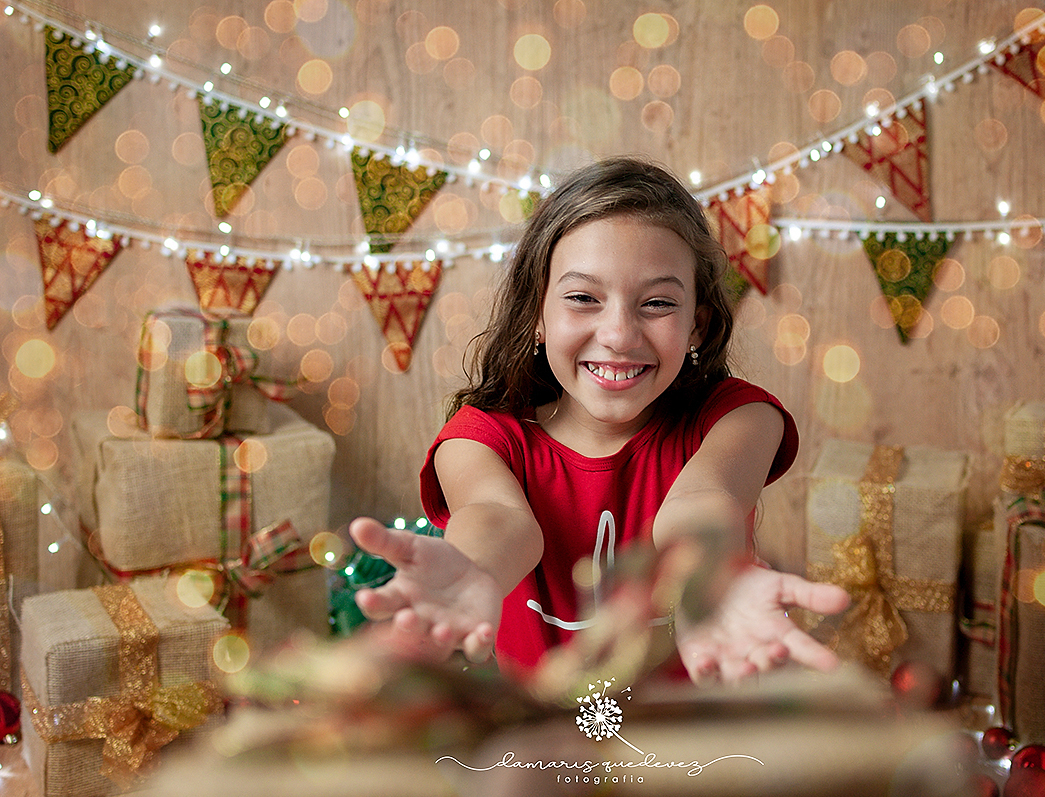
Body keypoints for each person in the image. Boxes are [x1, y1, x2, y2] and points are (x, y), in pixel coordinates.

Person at [350, 156, 850, 685]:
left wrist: (716, 581)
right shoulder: (482, 441)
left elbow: (703, 502)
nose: (618, 334)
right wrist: (470, 568)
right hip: (542, 753)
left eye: (657, 303)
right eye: (583, 298)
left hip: (693, 750)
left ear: (697, 326)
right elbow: (499, 519)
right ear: (537, 317)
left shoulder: (741, 418)